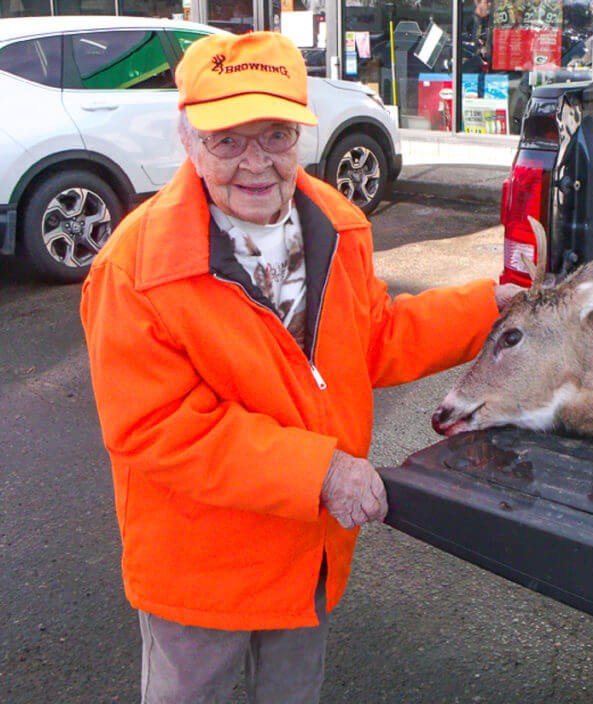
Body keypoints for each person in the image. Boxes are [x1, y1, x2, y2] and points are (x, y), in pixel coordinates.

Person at [80, 31, 521, 703]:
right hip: (201, 570)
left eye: (276, 135)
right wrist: (320, 471)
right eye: (228, 140)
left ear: (300, 137)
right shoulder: (135, 270)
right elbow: (156, 427)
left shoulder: (337, 224)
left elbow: (373, 339)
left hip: (305, 555)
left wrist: (490, 310)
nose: (255, 163)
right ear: (188, 140)